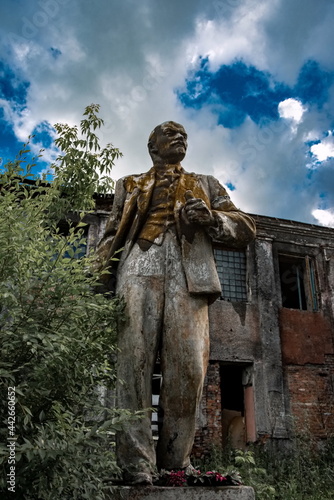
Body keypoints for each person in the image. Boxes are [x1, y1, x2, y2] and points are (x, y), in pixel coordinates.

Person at [96, 121, 255, 485]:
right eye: (170, 133)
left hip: (190, 272)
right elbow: (111, 234)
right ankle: (136, 466)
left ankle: (175, 464)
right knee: (131, 361)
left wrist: (212, 218)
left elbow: (245, 227)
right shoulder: (129, 183)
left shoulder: (205, 184)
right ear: (152, 145)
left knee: (189, 366)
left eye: (184, 134)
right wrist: (94, 281)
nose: (180, 138)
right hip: (139, 261)